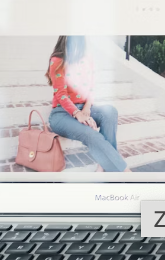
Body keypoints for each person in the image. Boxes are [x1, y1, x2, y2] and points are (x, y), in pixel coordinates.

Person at [44, 36, 130, 172]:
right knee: (91, 134)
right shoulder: (57, 60)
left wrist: (86, 108)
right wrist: (77, 113)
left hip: (83, 108)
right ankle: (126, 173)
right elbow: (61, 94)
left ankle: (102, 166)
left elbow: (91, 88)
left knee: (110, 111)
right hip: (61, 114)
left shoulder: (87, 58)